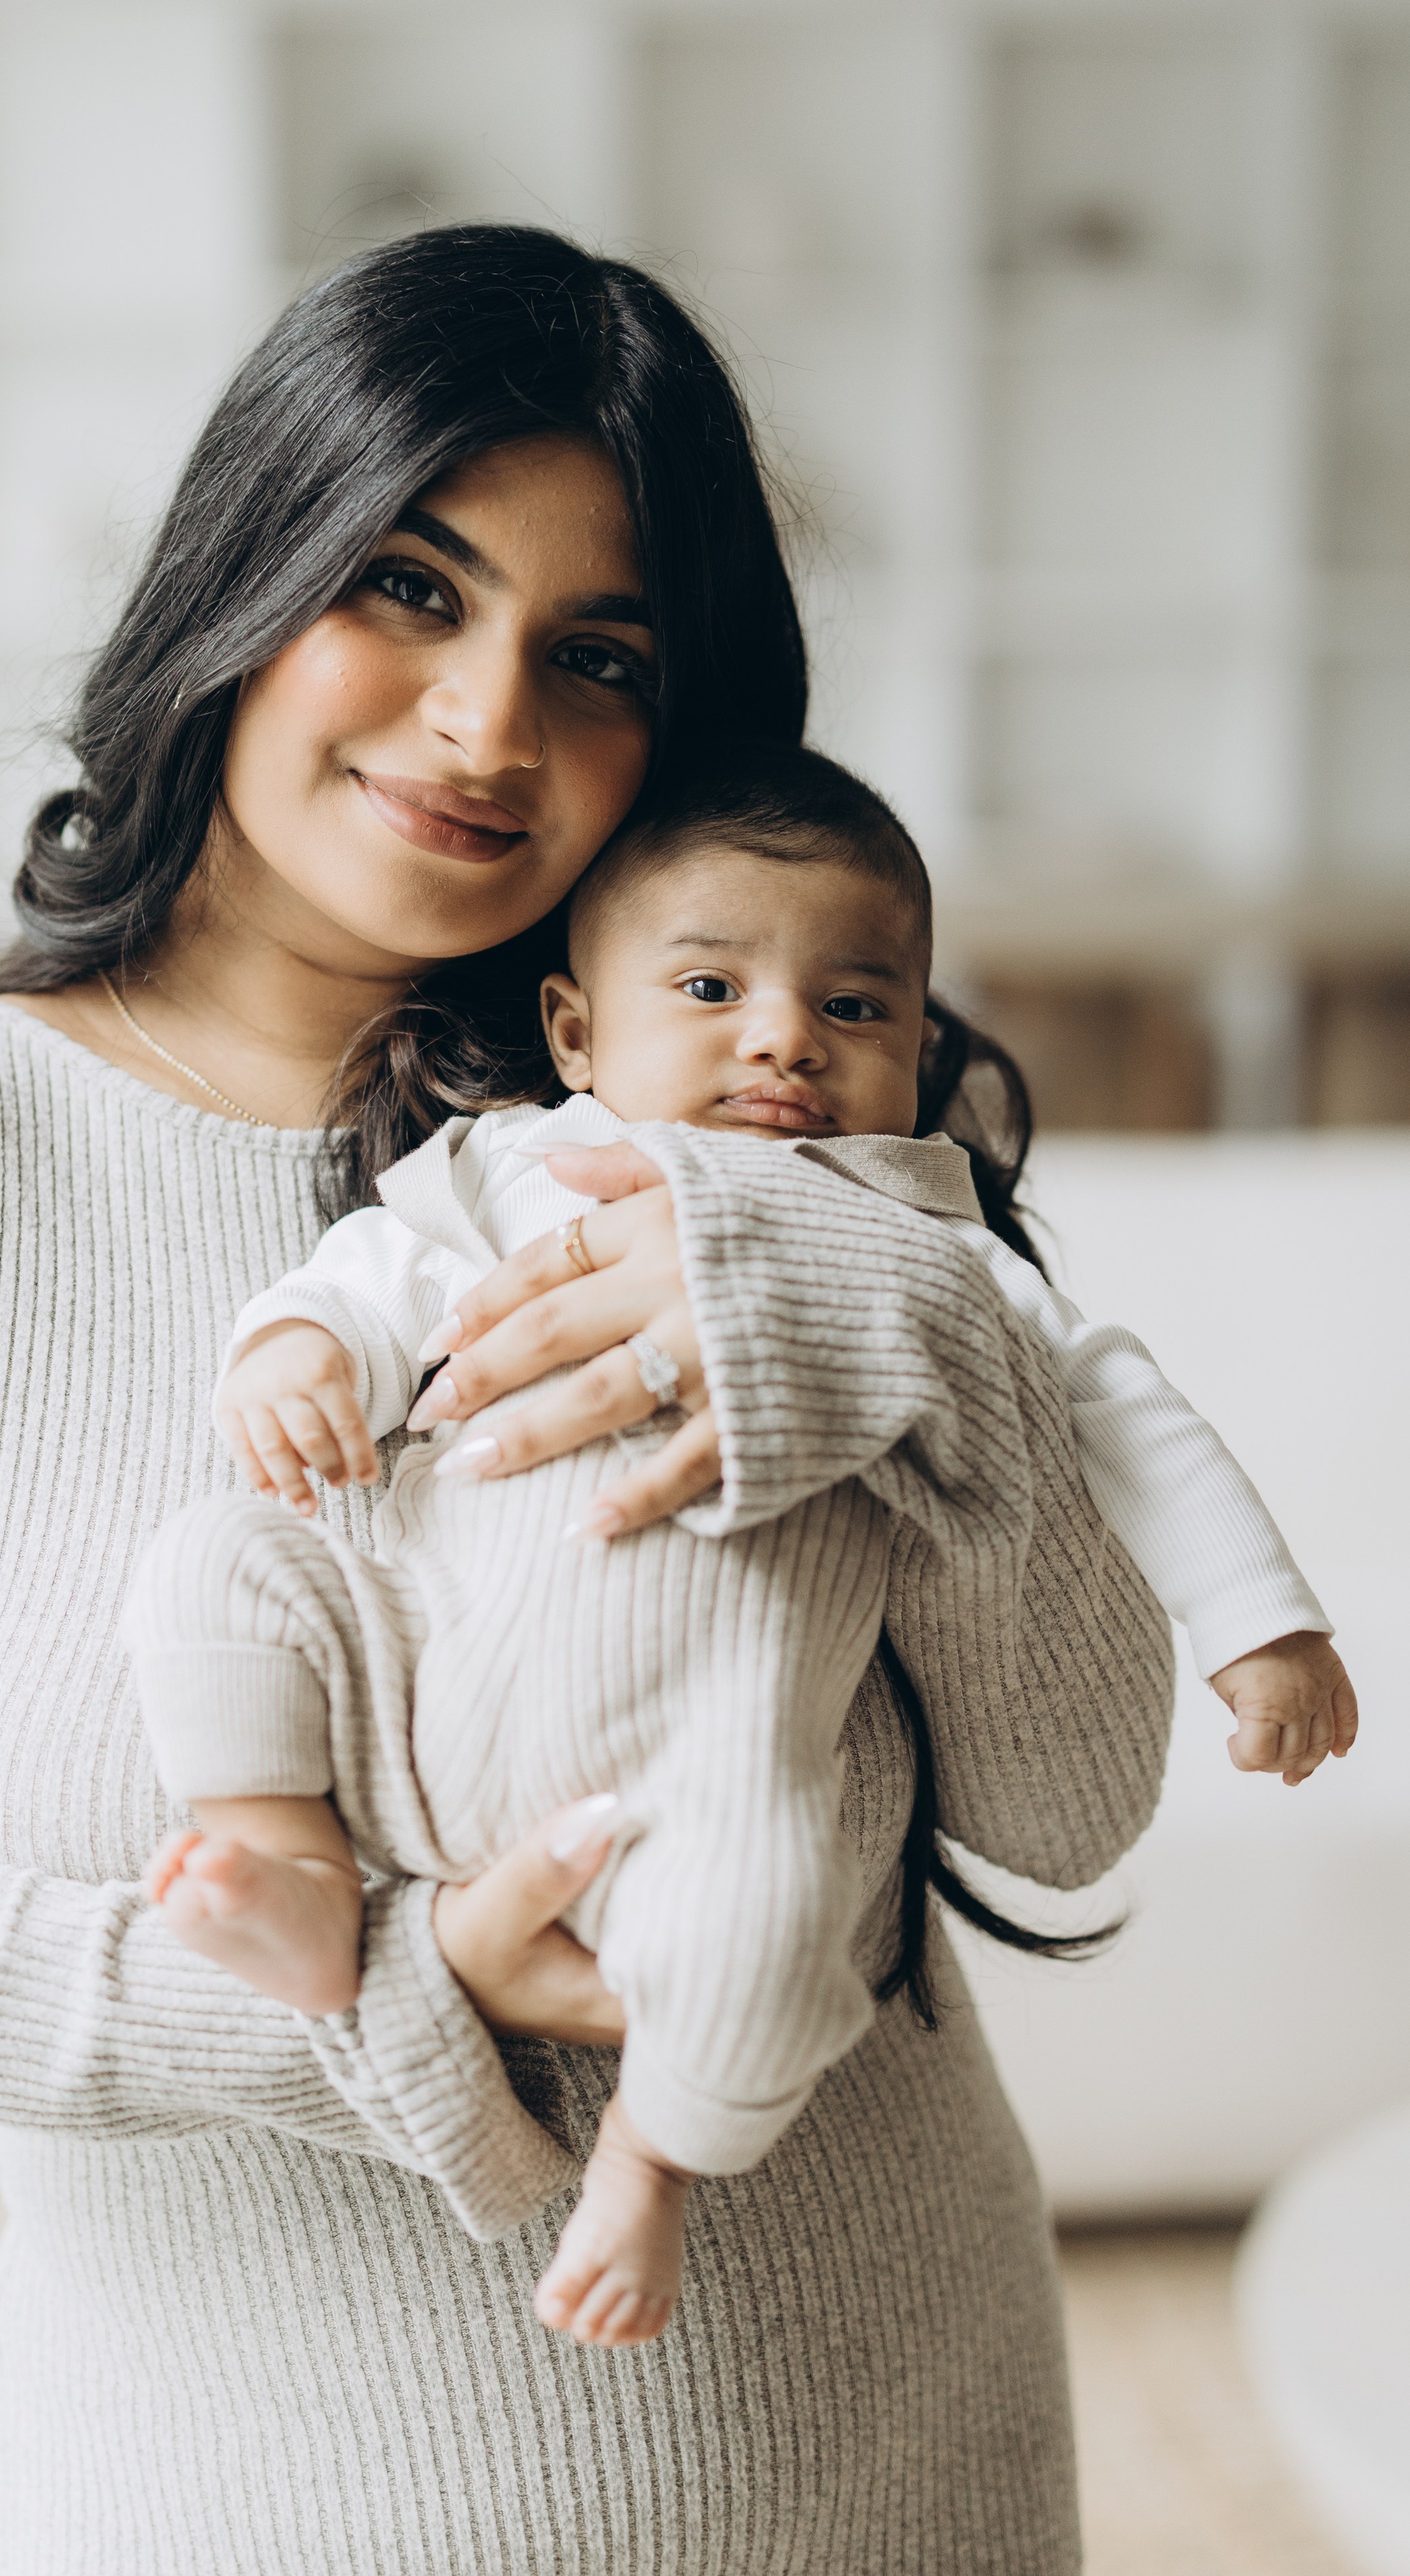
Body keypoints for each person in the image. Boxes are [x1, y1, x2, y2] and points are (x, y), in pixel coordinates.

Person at [0, 227, 1179, 2575]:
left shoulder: (774, 1143)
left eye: (599, 654)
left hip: (898, 2463)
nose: (486, 723)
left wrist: (916, 1335)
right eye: (413, 589)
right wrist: (369, 1996)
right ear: (249, 565)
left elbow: (1071, 1808)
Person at [128, 739, 1352, 2351]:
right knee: (222, 1565)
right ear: (576, 1027)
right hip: (425, 1653)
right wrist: (292, 1359)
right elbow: (368, 1281)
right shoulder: (519, 1167)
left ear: (919, 1044)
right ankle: (277, 1850)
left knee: (771, 1934)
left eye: (853, 1007)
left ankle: (650, 2160)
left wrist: (1259, 1622)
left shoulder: (925, 1243)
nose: (783, 1034)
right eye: (708, 987)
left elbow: (1123, 1414)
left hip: (706, 1757)